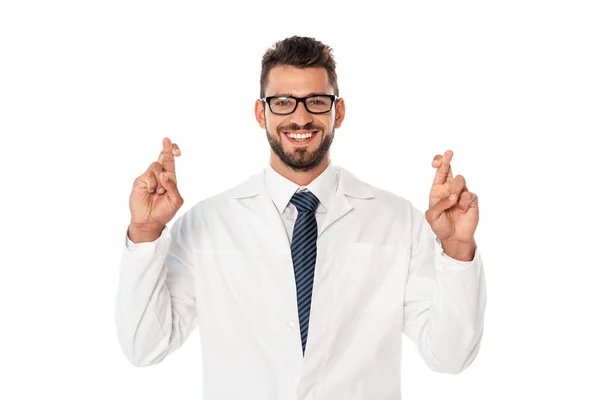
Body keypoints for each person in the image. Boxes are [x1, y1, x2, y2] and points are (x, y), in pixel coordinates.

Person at [114, 36, 486, 400]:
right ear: (262, 113)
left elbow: (450, 356)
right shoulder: (208, 223)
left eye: (316, 101)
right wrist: (146, 232)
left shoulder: (397, 220)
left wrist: (456, 248)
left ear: (337, 111)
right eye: (283, 102)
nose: (301, 116)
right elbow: (144, 347)